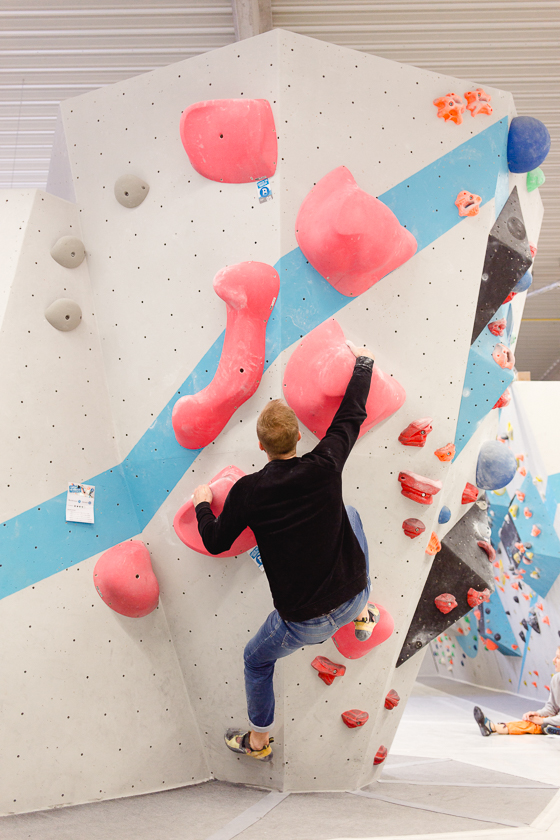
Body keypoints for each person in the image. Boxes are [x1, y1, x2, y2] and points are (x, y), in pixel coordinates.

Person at [192, 342, 376, 761]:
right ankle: (365, 613)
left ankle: (258, 743)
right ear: (298, 436)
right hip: (354, 594)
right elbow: (351, 415)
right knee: (351, 513)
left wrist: (203, 502)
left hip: (303, 624)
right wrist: (363, 365)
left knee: (255, 661)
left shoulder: (248, 491)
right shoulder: (325, 463)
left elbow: (217, 540)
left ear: (261, 447)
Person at [473, 646, 560, 737]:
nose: (554, 660)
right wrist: (538, 714)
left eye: (558, 658)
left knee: (536, 725)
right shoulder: (556, 679)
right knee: (534, 722)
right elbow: (551, 707)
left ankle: (492, 727)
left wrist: (542, 721)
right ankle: (492, 727)